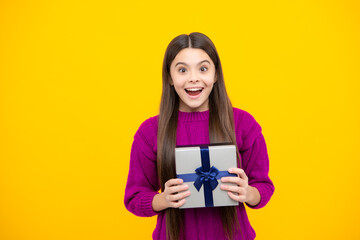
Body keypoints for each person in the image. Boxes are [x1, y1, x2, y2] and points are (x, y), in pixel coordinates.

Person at [124, 32, 275, 240]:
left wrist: (248, 193)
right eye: (182, 70)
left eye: (203, 68)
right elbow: (134, 198)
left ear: (215, 75)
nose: (193, 78)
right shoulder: (150, 131)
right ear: (169, 76)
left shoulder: (244, 124)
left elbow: (263, 187)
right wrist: (164, 199)